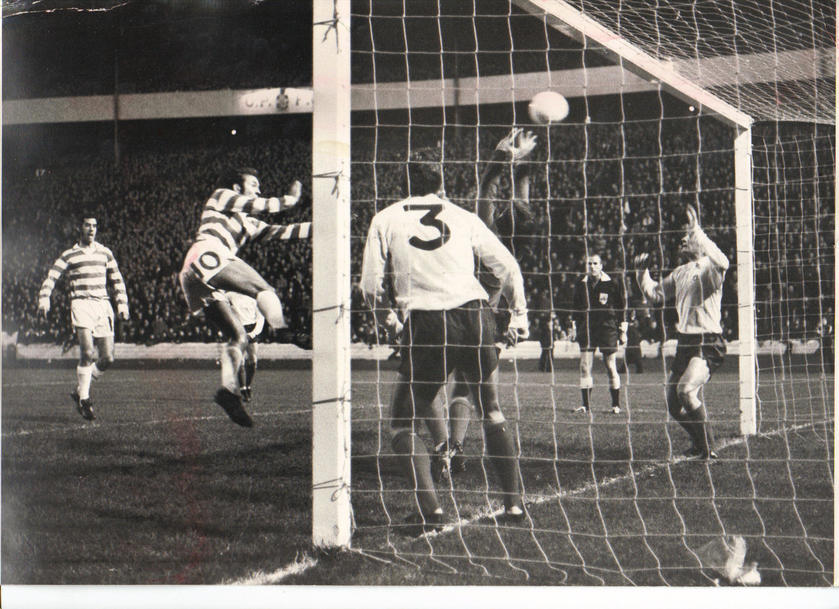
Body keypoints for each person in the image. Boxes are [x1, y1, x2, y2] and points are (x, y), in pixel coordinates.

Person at [360, 154, 530, 533]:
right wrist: (520, 317)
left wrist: (388, 319)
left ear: (404, 185)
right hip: (475, 315)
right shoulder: (462, 216)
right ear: (440, 184)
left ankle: (432, 511)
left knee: (402, 421)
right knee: (492, 410)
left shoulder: (385, 218)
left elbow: (369, 287)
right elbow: (508, 267)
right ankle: (514, 506)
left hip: (428, 320)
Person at [178, 167, 307, 426]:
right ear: (237, 188)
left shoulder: (249, 223)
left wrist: (327, 225)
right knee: (265, 291)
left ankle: (229, 392)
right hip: (208, 253)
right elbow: (263, 205)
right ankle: (283, 331)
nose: (258, 190)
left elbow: (285, 231)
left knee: (238, 337)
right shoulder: (221, 196)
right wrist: (290, 200)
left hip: (194, 275)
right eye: (254, 184)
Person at [634, 204, 729, 460]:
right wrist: (641, 273)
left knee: (686, 390)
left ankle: (708, 448)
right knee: (674, 405)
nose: (683, 240)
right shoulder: (680, 272)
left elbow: (724, 262)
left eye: (688, 237)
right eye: (683, 238)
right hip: (685, 341)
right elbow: (655, 294)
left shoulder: (710, 266)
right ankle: (700, 443)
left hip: (707, 341)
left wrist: (697, 229)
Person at [38, 215, 130, 421]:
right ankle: (84, 400)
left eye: (94, 226)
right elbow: (52, 276)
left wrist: (122, 304)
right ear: (80, 228)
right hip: (81, 304)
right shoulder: (70, 255)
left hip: (103, 305)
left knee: (107, 358)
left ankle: (80, 390)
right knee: (87, 352)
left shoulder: (105, 252)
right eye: (87, 225)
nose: (91, 229)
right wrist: (44, 299)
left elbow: (117, 279)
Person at [571, 253, 627, 414]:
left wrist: (623, 331)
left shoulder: (612, 282)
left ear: (601, 266)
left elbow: (621, 307)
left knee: (610, 366)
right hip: (587, 328)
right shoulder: (581, 283)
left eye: (595, 263)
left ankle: (616, 405)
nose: (592, 266)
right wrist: (574, 328)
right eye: (589, 263)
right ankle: (586, 405)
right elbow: (575, 308)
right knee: (584, 366)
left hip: (607, 327)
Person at [226, 291, 265, 403]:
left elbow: (260, 317)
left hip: (251, 329)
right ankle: (243, 389)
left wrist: (253, 333)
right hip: (237, 329)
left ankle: (248, 385)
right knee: (240, 360)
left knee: (253, 360)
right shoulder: (229, 295)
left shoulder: (253, 297)